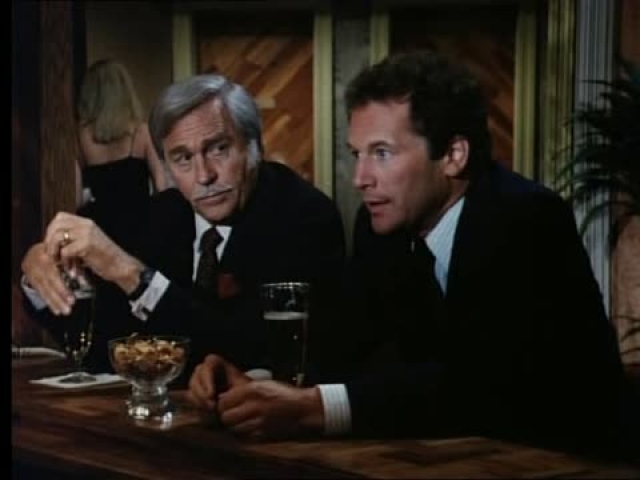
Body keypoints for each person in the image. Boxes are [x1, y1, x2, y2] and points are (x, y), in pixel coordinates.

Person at [186, 50, 629, 456]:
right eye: (357, 154)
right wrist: (254, 384)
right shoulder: (381, 227)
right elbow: (349, 345)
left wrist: (317, 408)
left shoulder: (524, 218)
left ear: (453, 155)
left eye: (381, 153)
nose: (360, 178)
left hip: (570, 457)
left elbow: (480, 384)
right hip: (453, 454)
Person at [20, 73, 345, 380]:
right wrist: (42, 277)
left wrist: (132, 275)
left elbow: (249, 352)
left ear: (254, 148)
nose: (204, 175)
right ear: (166, 166)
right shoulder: (162, 215)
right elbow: (106, 344)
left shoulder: (303, 216)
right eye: (183, 158)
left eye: (218, 148)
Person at [76, 59, 169, 243]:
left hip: (98, 232)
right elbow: (163, 187)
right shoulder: (141, 132)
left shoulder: (79, 136)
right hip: (141, 228)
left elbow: (75, 199)